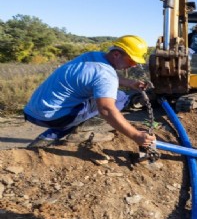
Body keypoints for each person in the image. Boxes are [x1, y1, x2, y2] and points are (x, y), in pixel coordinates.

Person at [23, 35, 156, 148]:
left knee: (102, 97)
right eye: (132, 60)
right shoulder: (105, 75)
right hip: (52, 117)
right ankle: (78, 134)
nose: (133, 65)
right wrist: (136, 135)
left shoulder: (93, 56)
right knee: (120, 98)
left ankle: (48, 137)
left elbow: (98, 77)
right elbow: (106, 110)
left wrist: (130, 83)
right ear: (116, 54)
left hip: (33, 111)